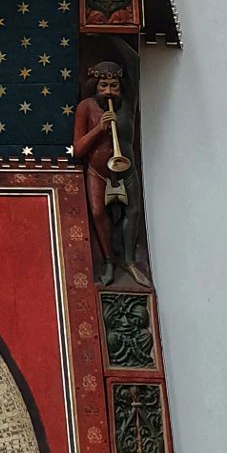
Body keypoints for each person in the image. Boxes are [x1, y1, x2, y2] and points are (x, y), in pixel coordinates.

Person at [72, 58, 146, 284]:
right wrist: (99, 129)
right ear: (94, 86)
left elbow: (133, 61)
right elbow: (78, 149)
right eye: (103, 86)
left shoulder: (127, 104)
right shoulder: (86, 107)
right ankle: (108, 261)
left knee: (133, 212)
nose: (109, 92)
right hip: (99, 172)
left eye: (114, 86)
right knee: (97, 213)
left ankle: (129, 261)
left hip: (126, 169)